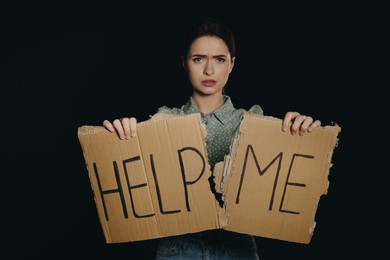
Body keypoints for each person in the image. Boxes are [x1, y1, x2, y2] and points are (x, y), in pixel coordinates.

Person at [103, 17, 321, 260]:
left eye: (219, 59)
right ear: (184, 63)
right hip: (176, 248)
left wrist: (299, 132)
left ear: (232, 64)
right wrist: (124, 135)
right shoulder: (163, 121)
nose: (209, 70)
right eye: (198, 59)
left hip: (236, 248)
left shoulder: (253, 122)